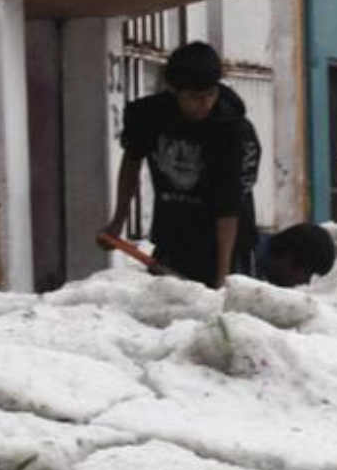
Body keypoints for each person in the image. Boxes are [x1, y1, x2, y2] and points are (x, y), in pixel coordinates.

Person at [100, 41, 259, 288]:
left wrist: (222, 279)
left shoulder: (232, 130)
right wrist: (117, 221)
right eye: (194, 97)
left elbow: (229, 206)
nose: (205, 104)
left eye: (211, 94)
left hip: (229, 242)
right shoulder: (148, 116)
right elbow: (131, 163)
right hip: (173, 233)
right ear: (173, 90)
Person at [256, 223, 336, 288]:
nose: (306, 282)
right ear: (289, 257)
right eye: (307, 274)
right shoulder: (250, 260)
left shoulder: (262, 265)